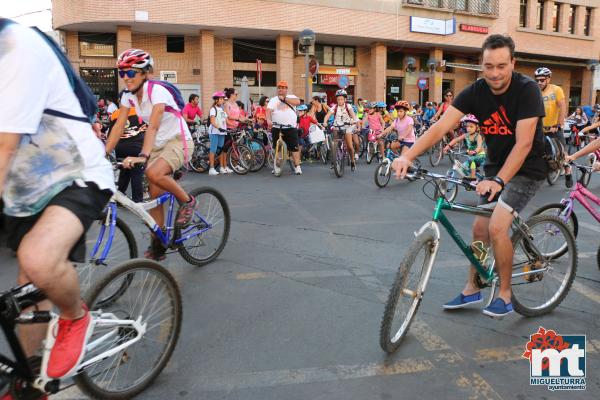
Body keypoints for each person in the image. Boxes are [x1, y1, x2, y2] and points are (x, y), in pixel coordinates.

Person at [393, 34, 548, 318]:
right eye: (489, 66)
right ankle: (472, 287)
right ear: (481, 64)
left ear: (513, 63)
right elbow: (440, 128)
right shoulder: (475, 92)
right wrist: (407, 156)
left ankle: (504, 294)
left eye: (502, 66)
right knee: (479, 228)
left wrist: (500, 181)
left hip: (528, 167)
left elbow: (524, 144)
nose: (495, 73)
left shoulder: (527, 90)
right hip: (494, 167)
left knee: (497, 227)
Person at [0, 19, 114, 380]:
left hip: (71, 174)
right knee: (27, 292)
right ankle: (32, 379)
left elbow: (5, 145)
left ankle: (74, 317)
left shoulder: (17, 47)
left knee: (39, 259)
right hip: (20, 188)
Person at [105, 48, 195, 261]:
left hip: (178, 141)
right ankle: (160, 242)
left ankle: (188, 201)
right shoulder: (128, 96)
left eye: (131, 72)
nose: (126, 78)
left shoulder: (157, 91)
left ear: (145, 73)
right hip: (158, 146)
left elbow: (152, 126)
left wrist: (143, 156)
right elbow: (118, 126)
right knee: (155, 197)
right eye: (122, 73)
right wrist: (102, 153)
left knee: (154, 173)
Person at [535, 67, 571, 186]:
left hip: (554, 127)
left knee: (562, 152)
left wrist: (559, 124)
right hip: (541, 127)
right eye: (537, 80)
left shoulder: (556, 89)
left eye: (542, 80)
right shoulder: (536, 91)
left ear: (548, 79)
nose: (539, 82)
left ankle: (567, 171)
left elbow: (562, 107)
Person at [109, 104, 147, 201]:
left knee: (124, 171)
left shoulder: (115, 114)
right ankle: (137, 200)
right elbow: (147, 130)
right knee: (136, 173)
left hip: (120, 148)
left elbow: (111, 133)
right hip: (136, 148)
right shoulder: (140, 112)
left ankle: (120, 198)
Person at [266, 80, 303, 175]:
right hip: (277, 127)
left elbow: (298, 102)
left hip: (290, 127)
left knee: (294, 148)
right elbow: (268, 111)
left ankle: (297, 166)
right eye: (279, 88)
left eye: (283, 88)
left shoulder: (291, 97)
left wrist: (284, 99)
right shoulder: (273, 100)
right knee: (277, 149)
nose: (280, 90)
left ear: (286, 89)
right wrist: (268, 120)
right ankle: (277, 166)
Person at [323, 89, 360, 171]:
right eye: (338, 99)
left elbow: (354, 116)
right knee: (334, 144)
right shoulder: (334, 107)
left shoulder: (348, 106)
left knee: (350, 146)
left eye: (341, 99)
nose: (340, 101)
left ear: (345, 99)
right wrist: (325, 122)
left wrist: (356, 123)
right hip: (337, 126)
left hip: (347, 126)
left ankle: (352, 161)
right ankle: (334, 161)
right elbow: (327, 115)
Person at [444, 114, 486, 178]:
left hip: (480, 156)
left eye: (471, 127)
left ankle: (473, 178)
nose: (468, 128)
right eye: (467, 126)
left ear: (477, 127)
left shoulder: (478, 136)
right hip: (471, 155)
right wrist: (448, 146)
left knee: (470, 161)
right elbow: (456, 139)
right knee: (463, 168)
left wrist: (475, 151)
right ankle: (469, 182)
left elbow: (479, 146)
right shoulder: (466, 135)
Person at [207, 91, 229, 176]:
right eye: (221, 98)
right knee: (213, 149)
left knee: (220, 150)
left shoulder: (222, 109)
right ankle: (211, 168)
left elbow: (226, 120)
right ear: (216, 100)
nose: (223, 100)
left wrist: (238, 122)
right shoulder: (213, 109)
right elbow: (212, 121)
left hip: (222, 132)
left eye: (223, 98)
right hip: (214, 132)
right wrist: (219, 128)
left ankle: (221, 167)